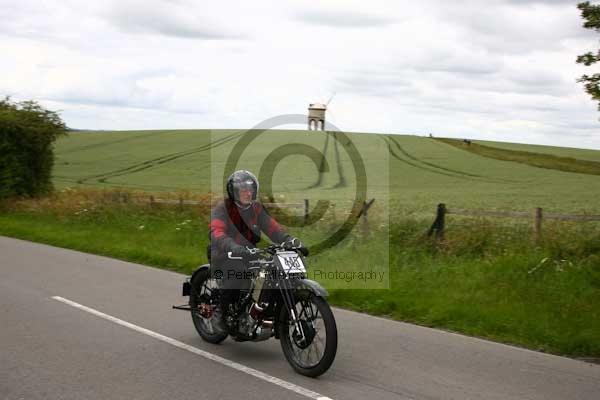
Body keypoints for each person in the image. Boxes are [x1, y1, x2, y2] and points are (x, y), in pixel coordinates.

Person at [208, 170, 305, 330]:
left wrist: (290, 241)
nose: (248, 192)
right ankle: (222, 315)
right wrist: (232, 246)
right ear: (234, 191)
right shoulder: (224, 208)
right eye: (243, 189)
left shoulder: (257, 209)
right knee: (237, 274)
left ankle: (266, 314)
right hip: (224, 255)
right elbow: (216, 232)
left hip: (249, 254)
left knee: (275, 275)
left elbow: (273, 229)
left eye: (251, 189)